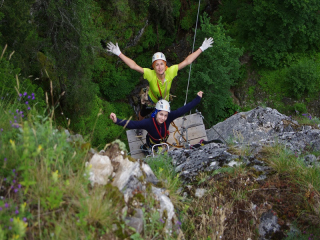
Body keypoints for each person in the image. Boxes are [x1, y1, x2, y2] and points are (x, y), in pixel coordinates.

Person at [107, 38, 213, 135]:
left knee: (164, 117)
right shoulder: (150, 74)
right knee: (142, 113)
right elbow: (133, 66)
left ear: (165, 64)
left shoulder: (171, 71)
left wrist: (202, 48)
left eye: (161, 64)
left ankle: (163, 129)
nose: (159, 67)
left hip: (164, 101)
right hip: (151, 100)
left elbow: (187, 61)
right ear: (153, 67)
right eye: (156, 65)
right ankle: (139, 127)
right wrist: (119, 53)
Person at [110, 91, 203, 151]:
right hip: (152, 141)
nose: (163, 118)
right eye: (161, 114)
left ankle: (148, 147)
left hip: (163, 139)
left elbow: (183, 109)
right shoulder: (148, 122)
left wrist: (197, 99)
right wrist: (116, 120)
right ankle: (146, 148)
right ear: (156, 113)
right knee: (150, 147)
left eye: (165, 115)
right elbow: (133, 124)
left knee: (157, 146)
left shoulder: (169, 117)